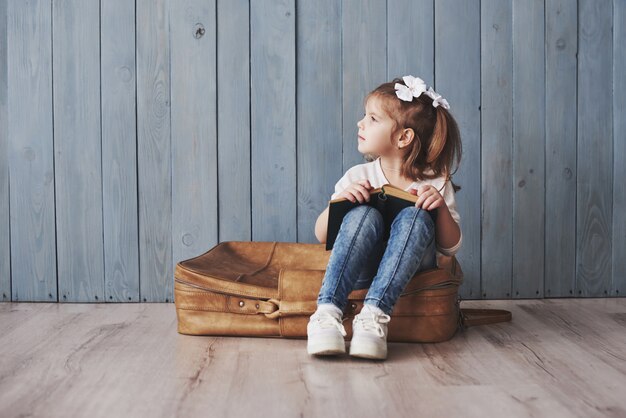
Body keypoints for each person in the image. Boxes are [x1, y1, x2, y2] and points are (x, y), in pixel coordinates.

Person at [307, 75, 463, 360]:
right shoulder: (357, 177)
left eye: (373, 118)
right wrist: (340, 204)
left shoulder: (436, 182)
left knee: (414, 217)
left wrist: (438, 207)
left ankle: (374, 316)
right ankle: (327, 312)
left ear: (404, 137)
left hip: (411, 276)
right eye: (364, 116)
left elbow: (450, 248)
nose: (361, 123)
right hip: (360, 274)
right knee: (363, 213)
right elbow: (320, 235)